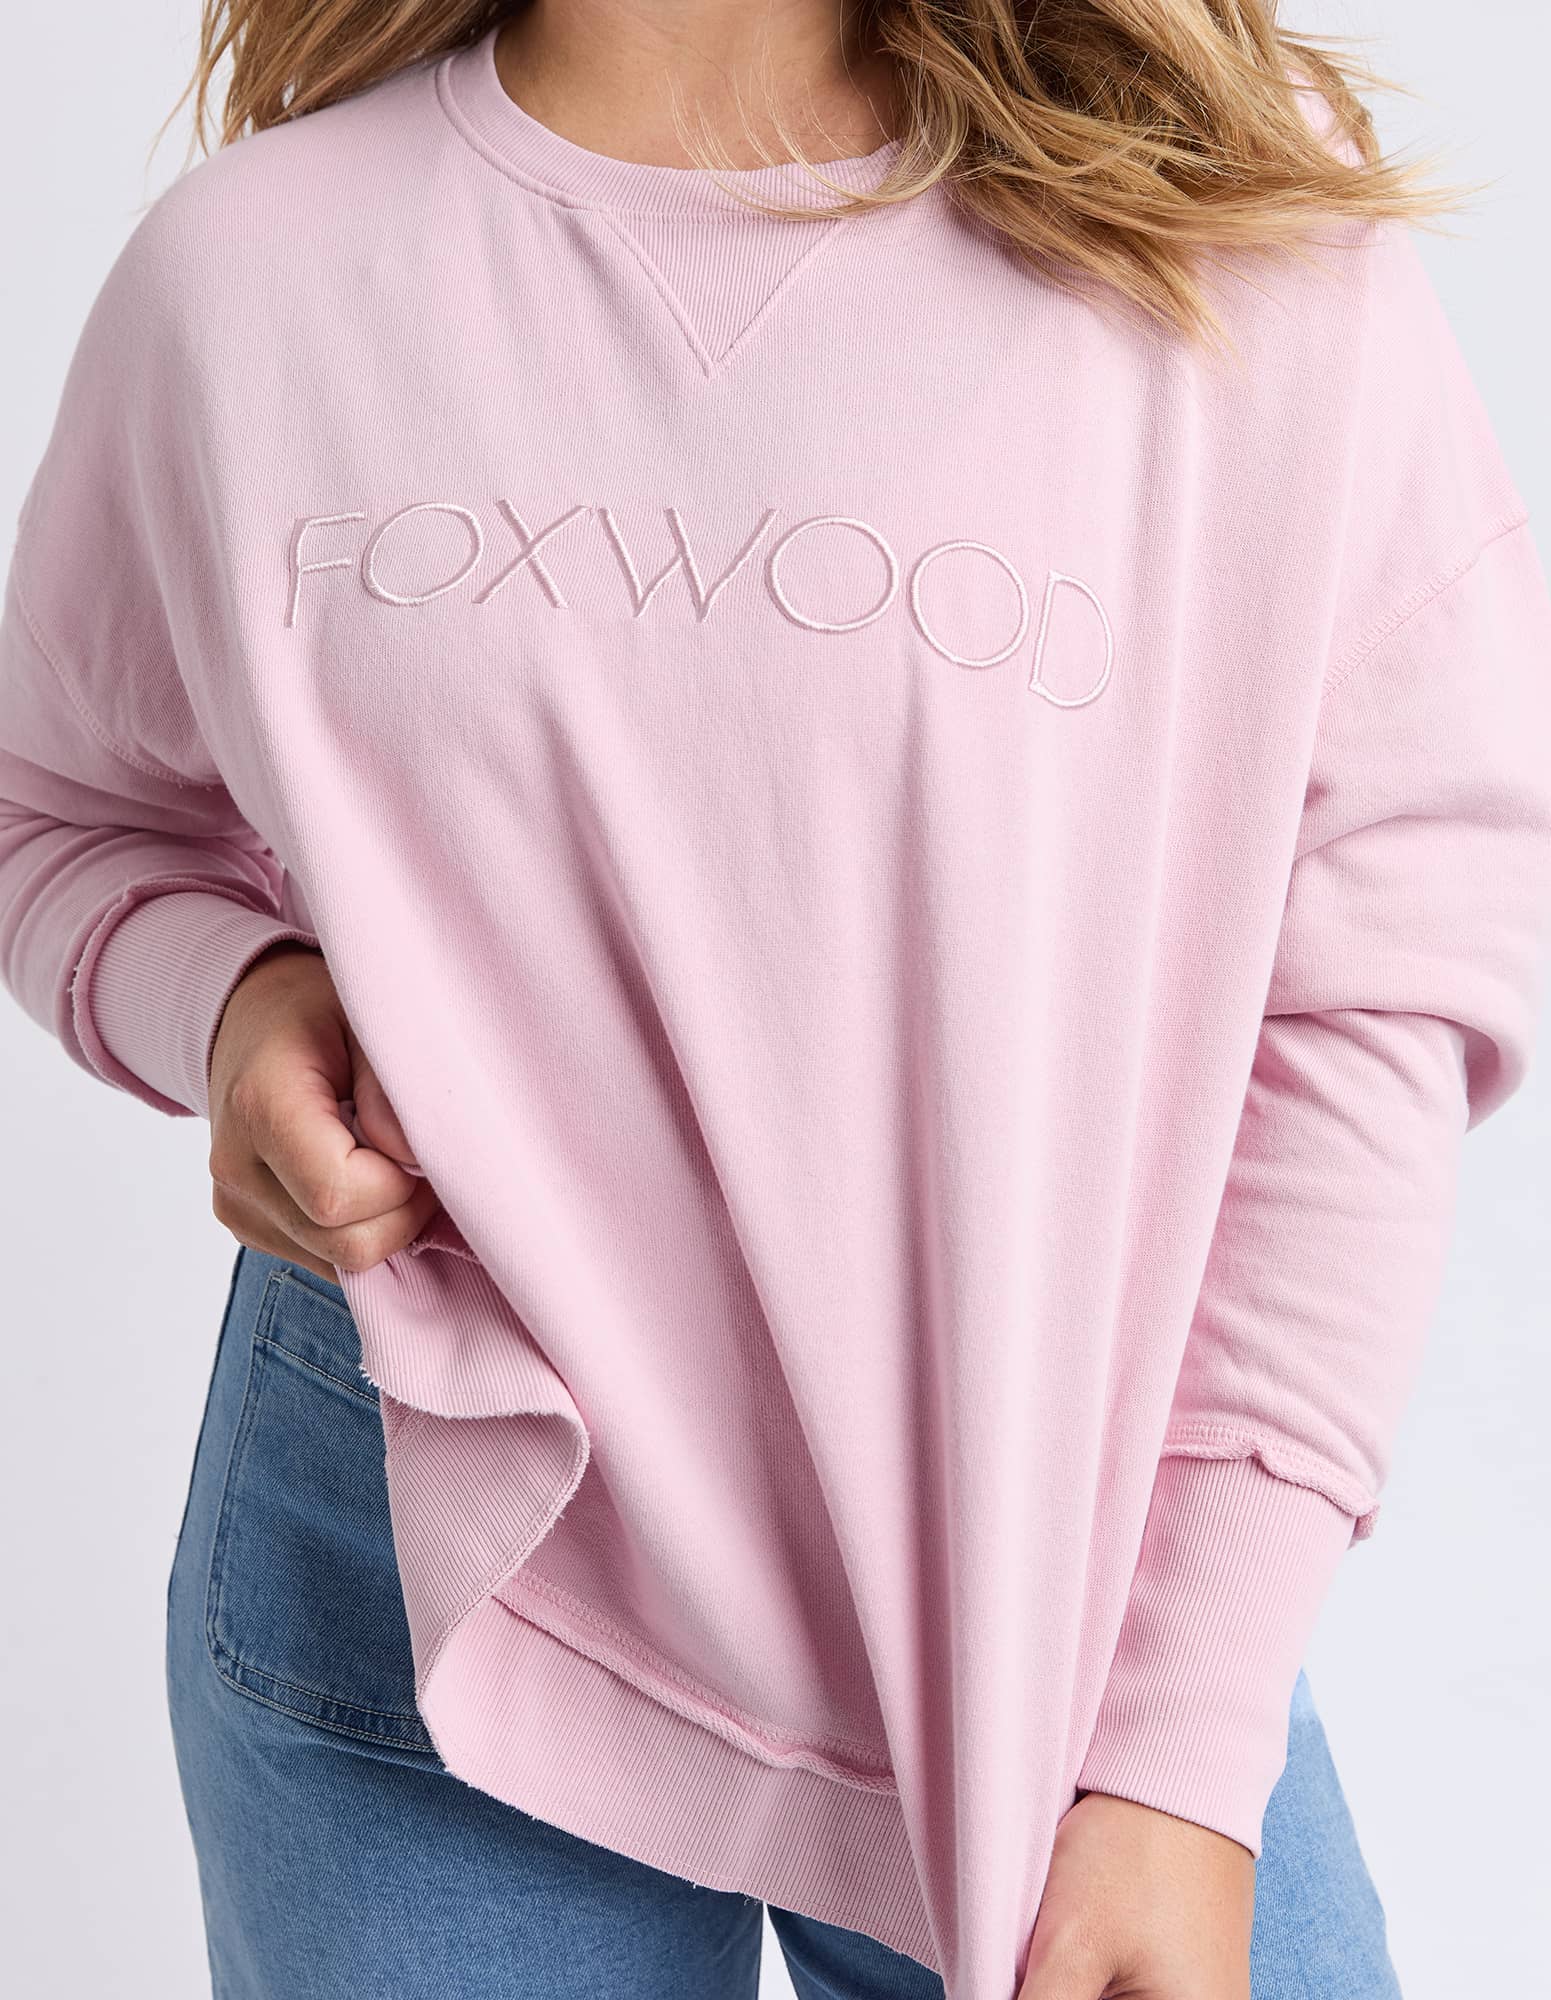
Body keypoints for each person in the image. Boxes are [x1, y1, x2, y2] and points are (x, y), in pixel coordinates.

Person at [3, 4, 1549, 1997]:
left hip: (1056, 1574)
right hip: (415, 1536)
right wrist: (227, 997)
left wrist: (1177, 1748)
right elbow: (61, 812)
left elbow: (1382, 970)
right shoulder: (252, 274)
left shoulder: (1215, 210)